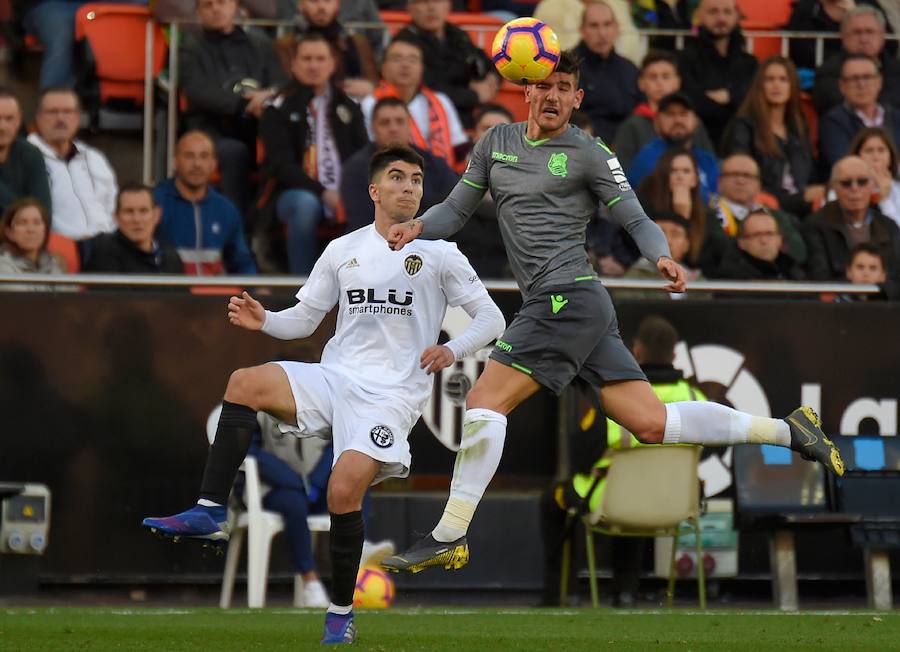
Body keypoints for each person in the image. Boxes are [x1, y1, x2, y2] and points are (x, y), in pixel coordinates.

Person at [382, 50, 845, 576]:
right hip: (572, 305)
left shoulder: (590, 153)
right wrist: (418, 225)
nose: (554, 95)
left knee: (486, 400)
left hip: (567, 296)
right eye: (546, 85)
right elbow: (456, 210)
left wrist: (661, 254)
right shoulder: (495, 144)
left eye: (565, 88)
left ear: (577, 99)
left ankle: (449, 534)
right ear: (527, 89)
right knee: (650, 423)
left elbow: (636, 217)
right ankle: (790, 431)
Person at [141, 145, 506, 644]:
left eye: (417, 180)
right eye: (397, 178)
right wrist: (265, 319)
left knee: (341, 492)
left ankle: (339, 612)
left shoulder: (440, 251)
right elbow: (305, 320)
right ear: (374, 191)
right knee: (243, 383)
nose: (409, 187)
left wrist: (451, 348)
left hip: (391, 397)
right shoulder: (343, 249)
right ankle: (209, 510)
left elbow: (493, 319)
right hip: (335, 378)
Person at [540, 315, 705, 608]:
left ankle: (560, 595)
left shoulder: (614, 400)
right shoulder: (697, 399)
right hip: (677, 503)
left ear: (636, 353)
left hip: (615, 503)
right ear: (674, 355)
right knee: (641, 491)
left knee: (556, 500)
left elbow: (581, 459)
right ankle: (626, 592)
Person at [258, 33, 369, 275]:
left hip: (344, 189)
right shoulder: (277, 106)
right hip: (291, 194)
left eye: (320, 59)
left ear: (332, 64)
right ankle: (303, 284)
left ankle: (361, 280)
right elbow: (281, 166)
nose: (313, 65)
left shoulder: (348, 106)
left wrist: (348, 190)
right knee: (305, 204)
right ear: (293, 64)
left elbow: (364, 155)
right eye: (306, 59)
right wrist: (322, 192)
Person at [179, 0, 287, 216]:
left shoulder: (260, 43)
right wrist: (244, 104)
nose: (216, 9)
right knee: (233, 152)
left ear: (235, 6)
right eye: (208, 5)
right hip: (211, 128)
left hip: (259, 126)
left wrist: (266, 96)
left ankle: (266, 222)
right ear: (199, 12)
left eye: (221, 2)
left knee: (282, 148)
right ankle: (236, 225)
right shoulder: (190, 47)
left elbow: (280, 84)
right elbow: (197, 92)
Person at [721, 56, 824, 218]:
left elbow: (810, 176)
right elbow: (742, 178)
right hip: (763, 209)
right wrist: (798, 198)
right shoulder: (744, 126)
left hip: (802, 208)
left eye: (783, 79)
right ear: (760, 85)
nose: (776, 85)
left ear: (792, 86)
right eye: (770, 79)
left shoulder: (798, 128)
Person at [341, 97, 457, 230]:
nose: (393, 128)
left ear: (409, 126)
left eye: (400, 122)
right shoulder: (356, 169)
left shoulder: (433, 163)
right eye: (385, 123)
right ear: (373, 129)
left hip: (434, 235)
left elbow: (455, 203)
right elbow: (362, 222)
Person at [153, 131, 257, 276]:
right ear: (175, 162)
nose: (197, 164)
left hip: (214, 295)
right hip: (170, 294)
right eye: (189, 156)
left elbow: (242, 262)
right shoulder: (155, 202)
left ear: (213, 164)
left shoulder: (225, 209)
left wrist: (254, 291)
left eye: (204, 156)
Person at [361, 36, 469, 170]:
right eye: (397, 59)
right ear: (383, 67)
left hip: (441, 178)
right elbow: (371, 149)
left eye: (413, 60)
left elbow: (460, 147)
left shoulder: (441, 101)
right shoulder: (370, 104)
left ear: (421, 68)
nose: (405, 65)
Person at [27, 87, 118, 242]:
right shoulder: (26, 156)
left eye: (68, 111)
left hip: (105, 244)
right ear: (39, 117)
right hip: (55, 245)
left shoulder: (94, 157)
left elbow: (113, 206)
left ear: (77, 117)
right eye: (52, 112)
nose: (61, 118)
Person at [395, 0, 498, 127]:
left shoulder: (457, 34)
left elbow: (485, 61)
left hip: (466, 116)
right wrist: (475, 96)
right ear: (409, 7)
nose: (431, 7)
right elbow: (426, 88)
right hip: (426, 119)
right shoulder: (404, 43)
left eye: (437, 1)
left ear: (449, 4)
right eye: (422, 1)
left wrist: (492, 78)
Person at [613, 50, 714, 172]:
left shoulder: (692, 123)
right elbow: (621, 172)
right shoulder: (631, 126)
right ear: (641, 83)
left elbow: (709, 166)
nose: (659, 83)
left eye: (666, 76)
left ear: (678, 81)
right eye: (653, 77)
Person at [804, 155, 900, 280]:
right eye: (846, 183)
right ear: (834, 187)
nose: (855, 189)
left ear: (872, 186)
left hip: (882, 298)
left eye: (862, 182)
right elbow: (820, 276)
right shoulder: (815, 226)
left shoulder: (889, 226)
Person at [677, 0, 758, 146]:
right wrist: (734, 100)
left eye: (727, 12)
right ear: (699, 15)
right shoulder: (684, 60)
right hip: (697, 143)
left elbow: (754, 103)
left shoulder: (750, 63)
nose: (721, 18)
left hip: (743, 145)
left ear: (737, 16)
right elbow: (690, 102)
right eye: (713, 12)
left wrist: (728, 96)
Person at [635, 148, 727, 273]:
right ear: (663, 177)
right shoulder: (643, 209)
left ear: (695, 179)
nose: (680, 176)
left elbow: (714, 256)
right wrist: (679, 217)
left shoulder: (707, 215)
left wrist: (684, 218)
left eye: (686, 171)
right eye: (673, 171)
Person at [710, 153, 808, 265]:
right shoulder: (708, 215)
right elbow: (718, 254)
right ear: (719, 182)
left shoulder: (777, 216)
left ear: (759, 184)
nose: (740, 181)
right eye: (733, 174)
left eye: (747, 175)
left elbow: (799, 252)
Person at [274, 0, 378, 97]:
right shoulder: (285, 45)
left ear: (337, 4)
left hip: (349, 100)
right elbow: (280, 83)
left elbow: (373, 79)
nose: (321, 7)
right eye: (314, 1)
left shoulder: (356, 43)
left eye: (327, 0)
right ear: (301, 5)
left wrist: (369, 86)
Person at [627, 92, 719, 201]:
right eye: (670, 114)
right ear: (657, 122)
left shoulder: (707, 160)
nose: (678, 120)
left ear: (696, 122)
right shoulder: (646, 159)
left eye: (683, 114)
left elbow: (717, 203)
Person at [819, 54, 900, 171]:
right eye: (854, 78)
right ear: (842, 86)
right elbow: (845, 164)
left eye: (867, 77)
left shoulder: (896, 117)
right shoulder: (832, 121)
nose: (861, 85)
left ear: (879, 82)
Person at [812, 6, 900, 113]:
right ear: (843, 36)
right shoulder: (828, 71)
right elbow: (831, 103)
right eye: (857, 32)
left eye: (870, 32)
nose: (863, 39)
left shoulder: (896, 70)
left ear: (882, 36)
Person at [574, 1, 640, 143]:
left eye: (607, 24)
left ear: (616, 29)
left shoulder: (630, 69)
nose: (602, 33)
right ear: (582, 30)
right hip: (585, 146)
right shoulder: (570, 68)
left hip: (627, 148)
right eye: (594, 26)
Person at [84, 185, 183, 274]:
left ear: (156, 215)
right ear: (116, 217)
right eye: (129, 211)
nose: (137, 219)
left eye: (143, 211)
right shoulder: (105, 253)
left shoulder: (171, 257)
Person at [617, 212, 707, 300]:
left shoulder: (698, 282)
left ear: (687, 245)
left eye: (675, 234)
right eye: (659, 234)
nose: (667, 241)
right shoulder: (632, 280)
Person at [786, 0, 891, 73]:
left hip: (870, 73)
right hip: (821, 74)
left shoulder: (868, 4)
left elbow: (890, 45)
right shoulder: (807, 8)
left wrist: (856, 16)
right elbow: (799, 50)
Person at [0, 89, 51, 216]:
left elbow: (43, 212)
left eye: (9, 119)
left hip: (23, 233)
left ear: (19, 121)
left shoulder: (31, 154)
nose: (2, 127)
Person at [714, 209, 805, 281]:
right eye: (756, 235)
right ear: (741, 243)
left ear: (779, 239)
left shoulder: (793, 271)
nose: (764, 241)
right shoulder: (731, 278)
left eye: (769, 234)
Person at [0, 198, 68, 290]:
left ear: (45, 230)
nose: (31, 229)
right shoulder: (2, 265)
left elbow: (68, 299)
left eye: (37, 223)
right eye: (23, 223)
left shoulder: (54, 263)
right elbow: (23, 301)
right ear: (9, 232)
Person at [848, 126, 900, 228]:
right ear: (857, 156)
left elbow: (896, 232)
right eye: (869, 151)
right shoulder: (845, 185)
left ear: (890, 157)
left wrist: (885, 199)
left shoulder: (897, 186)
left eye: (881, 150)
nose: (876, 157)